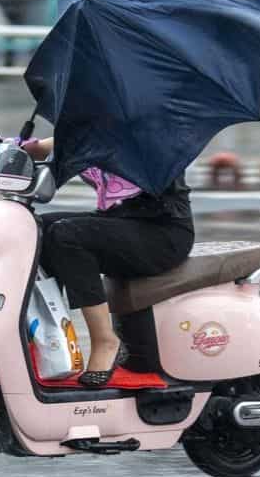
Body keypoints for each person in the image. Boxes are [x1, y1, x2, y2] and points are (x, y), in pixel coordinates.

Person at [21, 137, 194, 387]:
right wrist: (10, 148)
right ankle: (51, 339)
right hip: (119, 222)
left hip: (162, 234)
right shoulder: (93, 129)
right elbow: (50, 145)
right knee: (39, 229)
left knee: (67, 235)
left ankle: (106, 341)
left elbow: (92, 145)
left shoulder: (153, 130)